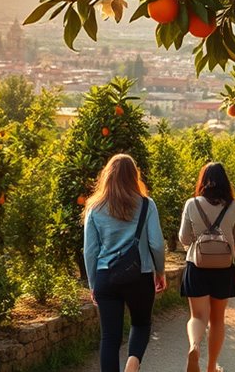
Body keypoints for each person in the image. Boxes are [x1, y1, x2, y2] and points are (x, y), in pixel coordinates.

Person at [83, 154, 167, 372]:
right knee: (141, 323)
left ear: (107, 176)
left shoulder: (94, 208)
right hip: (140, 275)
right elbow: (157, 244)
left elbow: (90, 251)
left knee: (109, 338)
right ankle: (133, 362)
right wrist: (160, 271)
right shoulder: (147, 205)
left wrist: (93, 284)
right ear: (134, 176)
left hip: (106, 277)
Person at [179, 163, 235, 372]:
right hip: (224, 267)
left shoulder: (192, 204)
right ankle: (211, 367)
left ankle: (194, 345)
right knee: (217, 320)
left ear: (202, 180)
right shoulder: (234, 207)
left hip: (196, 265)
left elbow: (184, 238)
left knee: (197, 316)